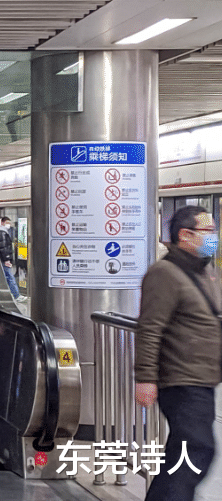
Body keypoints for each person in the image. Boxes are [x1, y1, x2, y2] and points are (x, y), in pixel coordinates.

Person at [135, 205, 221, 501]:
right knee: (196, 450)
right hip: (182, 380)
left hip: (201, 379)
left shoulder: (203, 271)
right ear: (185, 235)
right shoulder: (165, 273)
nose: (213, 237)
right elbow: (150, 328)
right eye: (208, 231)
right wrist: (145, 378)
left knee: (184, 453)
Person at [0, 217, 23, 301]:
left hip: (3, 259)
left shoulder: (3, 232)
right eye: (7, 223)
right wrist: (7, 259)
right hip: (4, 260)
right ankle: (16, 295)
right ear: (2, 223)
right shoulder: (2, 233)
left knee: (7, 277)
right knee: (10, 277)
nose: (9, 225)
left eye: (9, 223)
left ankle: (9, 295)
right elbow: (3, 247)